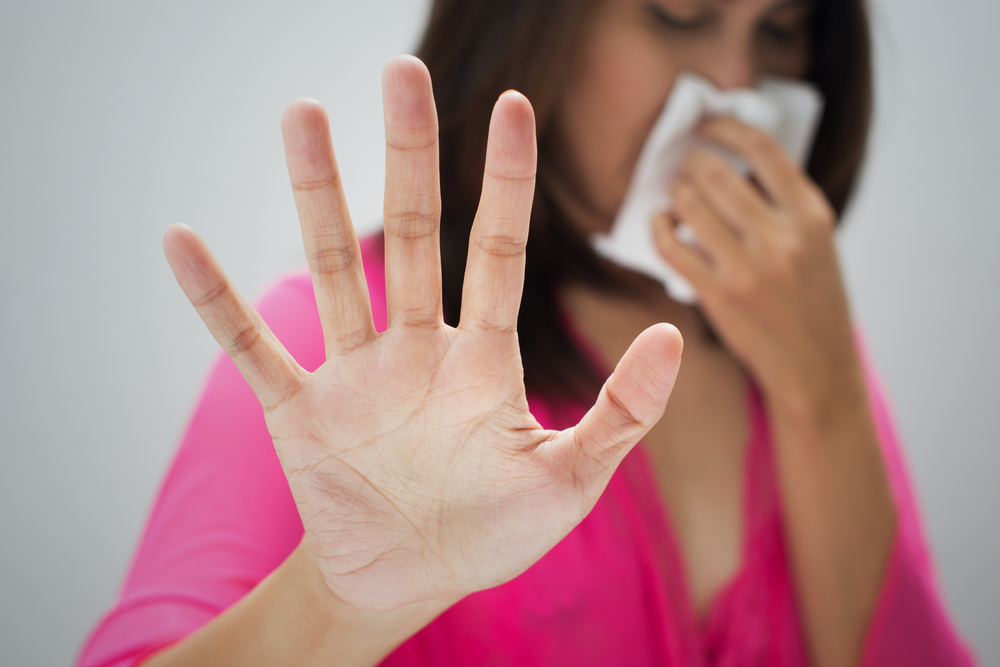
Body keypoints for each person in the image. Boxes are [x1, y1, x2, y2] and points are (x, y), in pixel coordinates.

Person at [77, 0, 975, 665]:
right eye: (680, 13)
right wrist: (333, 603)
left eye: (780, 30)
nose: (735, 90)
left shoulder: (800, 353)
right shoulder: (339, 354)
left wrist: (825, 394)